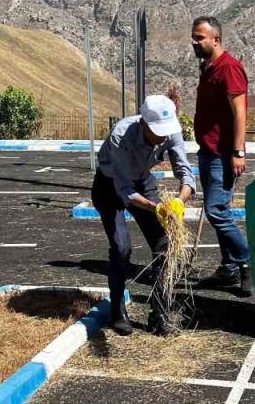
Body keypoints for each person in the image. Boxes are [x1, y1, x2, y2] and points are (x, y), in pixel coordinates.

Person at [94, 95, 196, 336]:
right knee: (121, 248)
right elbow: (124, 190)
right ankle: (117, 310)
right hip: (110, 186)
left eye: (166, 132)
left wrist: (179, 201)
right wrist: (156, 208)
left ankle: (159, 312)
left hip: (143, 181)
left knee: (164, 242)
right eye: (157, 132)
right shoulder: (122, 135)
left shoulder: (171, 132)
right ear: (144, 124)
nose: (163, 137)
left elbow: (185, 171)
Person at [189, 16, 252, 290]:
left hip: (223, 154)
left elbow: (240, 112)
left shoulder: (229, 68)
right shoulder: (208, 67)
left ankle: (248, 260)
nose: (195, 42)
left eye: (200, 37)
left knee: (216, 211)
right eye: (194, 36)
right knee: (219, 209)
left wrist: (238, 150)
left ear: (216, 39)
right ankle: (229, 270)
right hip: (208, 150)